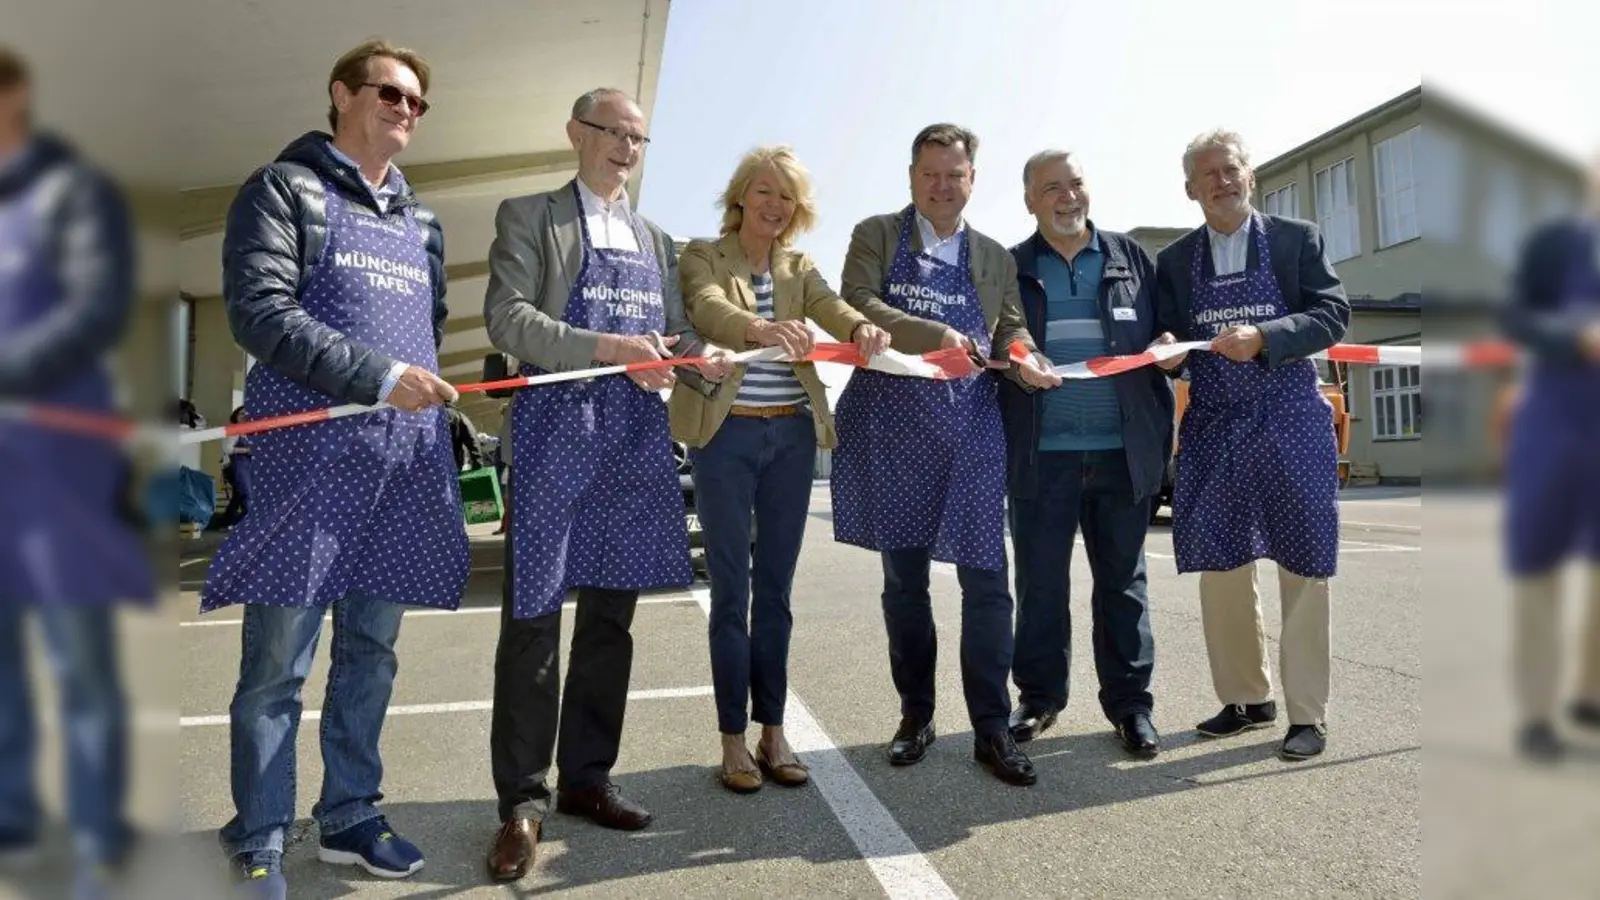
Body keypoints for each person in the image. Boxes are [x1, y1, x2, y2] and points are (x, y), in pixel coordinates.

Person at [199, 39, 470, 897]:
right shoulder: (284, 190)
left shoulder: (422, 223)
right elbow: (259, 311)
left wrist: (411, 391)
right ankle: (260, 835)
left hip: (398, 467)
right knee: (277, 666)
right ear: (342, 94)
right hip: (305, 469)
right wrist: (380, 377)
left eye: (417, 102)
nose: (405, 110)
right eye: (390, 93)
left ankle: (350, 815)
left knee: (371, 653)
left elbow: (428, 329)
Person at [480, 87, 732, 882]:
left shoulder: (655, 238)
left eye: (637, 137)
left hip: (631, 440)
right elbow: (508, 318)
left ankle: (588, 777)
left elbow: (673, 333)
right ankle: (522, 803)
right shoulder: (532, 217)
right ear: (576, 133)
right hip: (555, 434)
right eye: (613, 132)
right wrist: (610, 348)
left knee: (610, 622)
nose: (626, 147)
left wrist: (698, 357)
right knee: (533, 621)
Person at [832, 123, 1059, 787]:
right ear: (912, 177)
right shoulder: (876, 234)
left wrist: (1025, 356)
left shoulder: (992, 256)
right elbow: (858, 302)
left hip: (970, 427)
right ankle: (917, 715)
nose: (941, 186)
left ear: (971, 180)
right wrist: (936, 334)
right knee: (905, 584)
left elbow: (1010, 328)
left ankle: (991, 728)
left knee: (987, 582)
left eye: (954, 175)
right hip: (893, 427)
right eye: (930, 174)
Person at [669, 146, 890, 794]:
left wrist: (863, 328)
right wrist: (761, 329)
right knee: (730, 589)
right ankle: (731, 740)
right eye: (765, 191)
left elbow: (833, 308)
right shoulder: (703, 255)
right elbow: (707, 307)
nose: (775, 205)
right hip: (726, 437)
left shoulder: (800, 266)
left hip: (792, 436)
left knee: (776, 592)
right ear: (742, 195)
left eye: (787, 196)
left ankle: (773, 731)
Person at [0, 44, 154, 896]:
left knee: (78, 658)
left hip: (59, 466)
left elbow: (96, 307)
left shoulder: (70, 194)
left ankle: (100, 831)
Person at [1152, 129, 1349, 761]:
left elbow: (1332, 314)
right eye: (1207, 174)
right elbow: (1171, 340)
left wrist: (1265, 336)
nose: (1221, 181)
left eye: (1230, 169)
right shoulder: (1174, 262)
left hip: (1290, 419)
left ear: (1250, 175)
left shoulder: (1296, 239)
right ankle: (1246, 698)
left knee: (1304, 565)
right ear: (1190, 189)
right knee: (1223, 566)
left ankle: (1307, 714)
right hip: (1214, 425)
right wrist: (1168, 354)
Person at [1000, 151, 1174, 759]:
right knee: (1041, 585)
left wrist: (1170, 344)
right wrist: (1019, 361)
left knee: (1123, 585)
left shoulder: (1132, 258)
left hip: (1122, 453)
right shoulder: (1011, 266)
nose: (1067, 196)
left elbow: (1169, 329)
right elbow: (998, 339)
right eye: (1052, 187)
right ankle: (1039, 698)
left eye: (1075, 183)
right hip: (1041, 454)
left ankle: (1131, 705)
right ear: (1030, 200)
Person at [1498, 155, 1600, 761]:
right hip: (1555, 423)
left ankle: (1591, 693)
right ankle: (1536, 713)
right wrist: (1573, 337)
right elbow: (1515, 316)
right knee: (1539, 567)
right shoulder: (1555, 245)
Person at [214, 407, 253, 529]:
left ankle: (225, 522)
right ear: (235, 416)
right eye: (241, 413)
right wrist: (246, 450)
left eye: (246, 413)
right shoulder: (234, 430)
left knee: (237, 496)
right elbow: (227, 448)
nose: (244, 416)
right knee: (247, 494)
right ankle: (247, 523)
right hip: (234, 468)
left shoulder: (248, 431)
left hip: (244, 467)